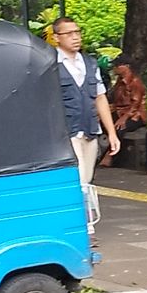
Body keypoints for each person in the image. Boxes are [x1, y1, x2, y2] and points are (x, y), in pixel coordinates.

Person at [52, 17, 119, 230]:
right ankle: (84, 226)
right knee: (78, 177)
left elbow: (100, 97)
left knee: (87, 177)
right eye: (69, 33)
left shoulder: (90, 63)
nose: (75, 37)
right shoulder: (50, 64)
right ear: (56, 38)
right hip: (65, 131)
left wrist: (112, 133)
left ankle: (80, 222)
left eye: (77, 32)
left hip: (90, 129)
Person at [103, 58, 147, 167]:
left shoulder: (135, 82)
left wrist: (124, 117)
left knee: (119, 128)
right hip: (119, 111)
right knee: (103, 123)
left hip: (135, 115)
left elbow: (135, 104)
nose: (115, 69)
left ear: (125, 66)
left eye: (117, 66)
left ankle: (110, 156)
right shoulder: (119, 81)